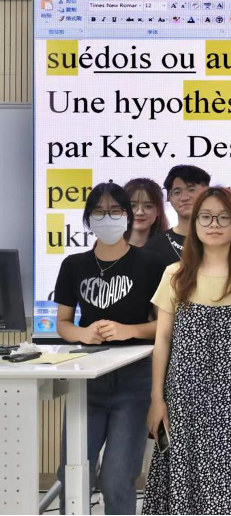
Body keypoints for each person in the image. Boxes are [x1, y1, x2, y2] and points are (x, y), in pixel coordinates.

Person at [143, 187, 231, 515]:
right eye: (206, 217)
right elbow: (162, 340)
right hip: (183, 399)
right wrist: (157, 399)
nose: (214, 224)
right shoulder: (175, 275)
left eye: (224, 217)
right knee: (185, 483)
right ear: (195, 223)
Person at [54, 182, 164, 515]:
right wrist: (83, 334)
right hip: (87, 378)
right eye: (99, 212)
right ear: (88, 219)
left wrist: (129, 330)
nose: (108, 218)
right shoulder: (73, 265)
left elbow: (164, 325)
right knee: (73, 473)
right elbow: (63, 323)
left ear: (127, 217)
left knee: (117, 479)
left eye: (115, 211)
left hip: (135, 380)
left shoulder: (150, 264)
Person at [145, 164, 211, 269]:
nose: (184, 198)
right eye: (177, 192)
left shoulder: (220, 238)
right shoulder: (155, 245)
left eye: (191, 190)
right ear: (169, 198)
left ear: (207, 192)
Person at [124, 177, 168, 247]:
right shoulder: (110, 248)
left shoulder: (169, 249)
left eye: (148, 206)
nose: (140, 212)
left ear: (158, 210)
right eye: (132, 206)